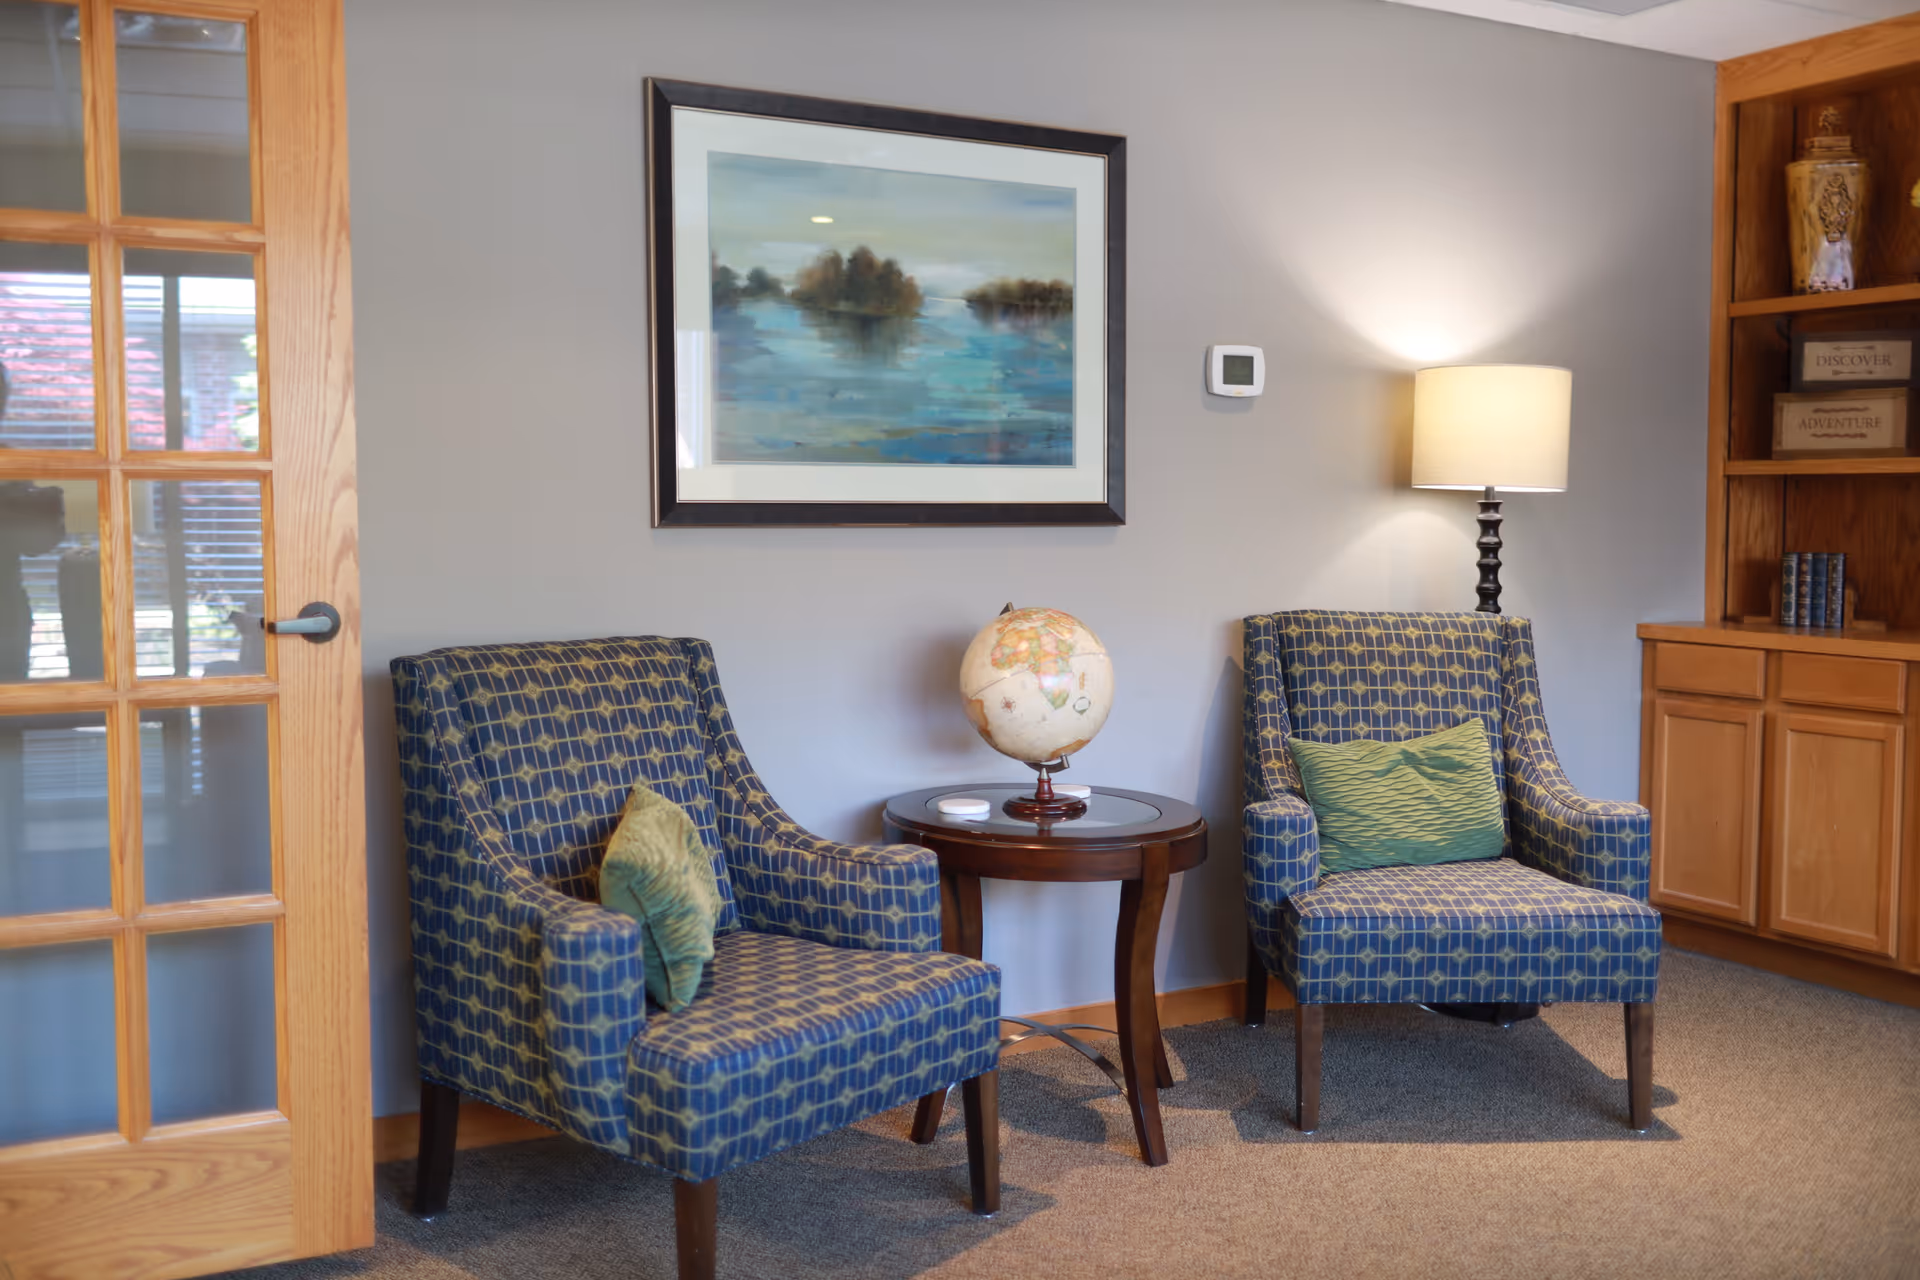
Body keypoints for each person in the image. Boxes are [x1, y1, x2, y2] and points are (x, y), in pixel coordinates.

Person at [0, 361, 68, 681]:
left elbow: (38, 541)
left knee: (10, 716)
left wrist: (48, 503)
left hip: (5, 607)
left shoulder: (10, 460)